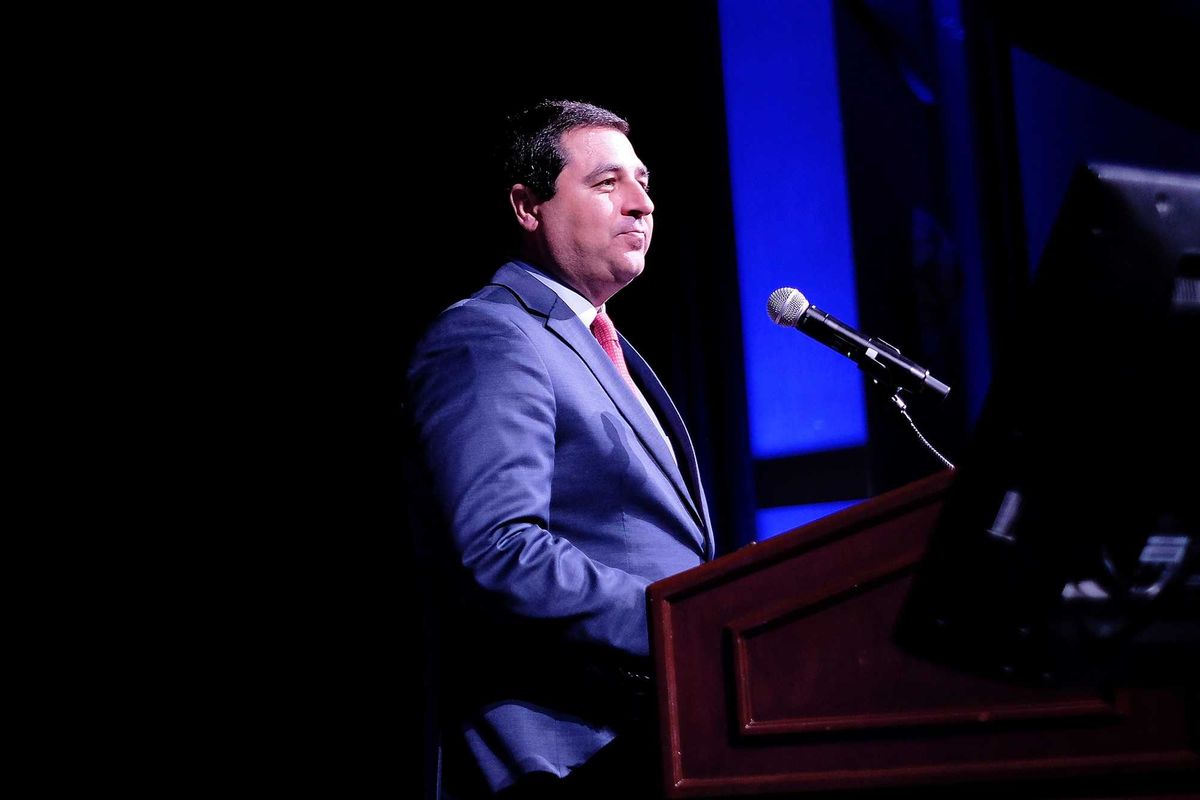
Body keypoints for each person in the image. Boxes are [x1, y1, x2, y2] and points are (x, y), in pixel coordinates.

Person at [405, 99, 714, 799]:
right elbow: (498, 548)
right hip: (557, 759)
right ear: (527, 205)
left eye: (644, 182)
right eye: (607, 184)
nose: (642, 204)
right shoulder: (491, 337)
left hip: (655, 739)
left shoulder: (605, 349)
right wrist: (684, 625)